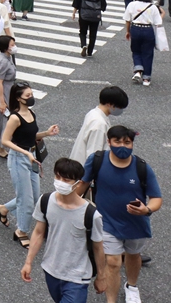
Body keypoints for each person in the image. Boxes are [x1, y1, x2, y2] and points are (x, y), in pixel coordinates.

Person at [76, 126, 163, 303]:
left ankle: (131, 286)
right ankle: (111, 300)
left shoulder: (142, 167)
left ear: (132, 144)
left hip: (136, 224)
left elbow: (156, 198)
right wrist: (64, 204)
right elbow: (83, 185)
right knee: (114, 262)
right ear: (109, 142)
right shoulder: (97, 160)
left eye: (127, 142)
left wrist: (146, 210)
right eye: (117, 141)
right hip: (106, 222)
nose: (122, 146)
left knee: (133, 255)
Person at [22, 157, 105, 303]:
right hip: (51, 270)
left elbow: (98, 248)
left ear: (77, 184)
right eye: (58, 177)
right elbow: (39, 232)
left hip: (77, 277)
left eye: (66, 180)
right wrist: (28, 262)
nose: (60, 182)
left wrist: (101, 276)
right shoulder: (45, 201)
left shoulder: (92, 215)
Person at [0, 83, 59, 249]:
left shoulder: (31, 113)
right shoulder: (14, 118)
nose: (31, 98)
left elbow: (30, 136)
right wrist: (26, 153)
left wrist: (46, 133)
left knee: (33, 197)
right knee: (27, 200)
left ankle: (3, 209)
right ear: (18, 98)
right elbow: (5, 140)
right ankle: (21, 231)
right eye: (27, 96)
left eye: (31, 94)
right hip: (19, 159)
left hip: (31, 157)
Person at [69, 86, 129, 165]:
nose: (120, 110)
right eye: (119, 107)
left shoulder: (93, 113)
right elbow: (94, 154)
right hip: (84, 171)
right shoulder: (99, 124)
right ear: (109, 104)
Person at [123, 0, 162, 86]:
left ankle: (138, 70)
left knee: (136, 50)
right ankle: (146, 78)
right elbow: (158, 22)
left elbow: (127, 20)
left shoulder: (132, 5)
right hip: (148, 30)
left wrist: (128, 31)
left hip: (135, 28)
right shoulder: (152, 7)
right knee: (148, 53)